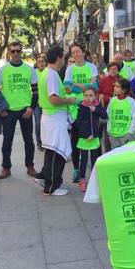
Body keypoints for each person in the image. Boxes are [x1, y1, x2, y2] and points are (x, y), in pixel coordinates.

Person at [33, 46, 78, 196]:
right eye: (63, 58)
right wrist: (69, 100)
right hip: (54, 118)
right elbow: (53, 99)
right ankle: (52, 186)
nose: (64, 61)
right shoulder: (51, 75)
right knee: (57, 152)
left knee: (52, 150)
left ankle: (44, 177)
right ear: (58, 58)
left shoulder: (47, 73)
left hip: (50, 118)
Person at [0, 41, 39, 179]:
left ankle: (30, 166)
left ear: (22, 52)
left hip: (26, 110)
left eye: (18, 51)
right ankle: (6, 167)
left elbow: (36, 92)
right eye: (13, 51)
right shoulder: (2, 70)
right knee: (7, 141)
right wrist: (1, 110)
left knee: (29, 141)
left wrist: (31, 108)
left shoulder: (29, 70)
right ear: (9, 52)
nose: (16, 54)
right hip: (9, 111)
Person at [63, 43, 99, 183]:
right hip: (75, 108)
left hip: (90, 108)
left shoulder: (91, 67)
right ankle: (77, 169)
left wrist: (76, 86)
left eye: (78, 51)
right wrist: (84, 87)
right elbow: (67, 87)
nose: (76, 54)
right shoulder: (70, 69)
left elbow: (95, 87)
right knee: (76, 140)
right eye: (73, 52)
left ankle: (97, 169)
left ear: (84, 52)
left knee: (93, 138)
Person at [75, 86, 106, 192]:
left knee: (94, 159)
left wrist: (95, 109)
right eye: (86, 95)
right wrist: (86, 134)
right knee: (83, 160)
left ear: (95, 96)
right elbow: (79, 123)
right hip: (85, 138)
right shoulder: (81, 106)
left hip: (95, 138)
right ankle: (82, 180)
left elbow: (104, 115)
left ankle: (94, 180)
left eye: (91, 95)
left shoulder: (97, 105)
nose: (88, 98)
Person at [107, 78, 135, 149]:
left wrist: (130, 132)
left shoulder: (131, 101)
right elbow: (109, 115)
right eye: (114, 86)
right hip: (114, 135)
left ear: (124, 90)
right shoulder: (112, 100)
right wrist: (109, 129)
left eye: (117, 87)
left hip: (126, 135)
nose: (114, 88)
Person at [34, 54, 47, 151]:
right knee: (38, 123)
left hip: (48, 103)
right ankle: (39, 142)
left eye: (43, 61)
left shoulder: (50, 72)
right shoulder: (34, 73)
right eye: (39, 62)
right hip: (37, 103)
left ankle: (47, 142)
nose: (41, 63)